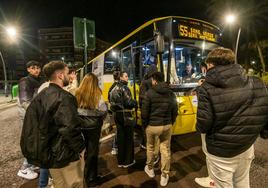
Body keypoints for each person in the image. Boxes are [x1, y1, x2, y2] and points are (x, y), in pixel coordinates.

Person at [196, 47, 268, 188]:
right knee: (242, 182)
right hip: (247, 146)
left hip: (222, 153)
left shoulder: (206, 89)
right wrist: (264, 132)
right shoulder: (257, 82)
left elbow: (203, 126)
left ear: (211, 65)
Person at [20, 60, 85, 188]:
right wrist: (81, 148)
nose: (68, 76)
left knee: (59, 184)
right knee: (75, 183)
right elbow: (69, 128)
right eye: (67, 73)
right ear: (60, 75)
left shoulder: (40, 96)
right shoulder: (64, 97)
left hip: (50, 154)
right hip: (66, 155)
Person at [142, 72, 178, 187]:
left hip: (152, 126)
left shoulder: (149, 93)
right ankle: (164, 175)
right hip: (166, 125)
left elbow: (144, 113)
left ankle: (150, 169)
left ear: (155, 80)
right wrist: (171, 122)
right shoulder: (170, 93)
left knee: (151, 147)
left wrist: (145, 125)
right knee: (165, 150)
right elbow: (175, 110)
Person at [75, 73, 107, 187]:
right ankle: (91, 178)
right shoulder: (97, 94)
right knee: (92, 152)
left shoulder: (77, 92)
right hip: (93, 127)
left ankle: (82, 175)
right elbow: (103, 110)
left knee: (82, 151)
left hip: (80, 125)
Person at [17, 60, 42, 180]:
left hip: (34, 115)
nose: (36, 70)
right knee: (31, 141)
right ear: (28, 69)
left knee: (36, 140)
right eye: (33, 68)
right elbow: (25, 102)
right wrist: (37, 114)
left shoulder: (38, 80)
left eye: (38, 67)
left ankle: (32, 164)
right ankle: (24, 169)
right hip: (29, 116)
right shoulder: (25, 81)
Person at [109, 71, 136, 168]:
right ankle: (128, 161)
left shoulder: (112, 89)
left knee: (120, 138)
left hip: (117, 116)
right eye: (126, 76)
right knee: (128, 139)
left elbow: (111, 102)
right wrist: (135, 102)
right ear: (121, 77)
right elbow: (129, 103)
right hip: (126, 116)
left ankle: (120, 161)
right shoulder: (125, 88)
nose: (127, 78)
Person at [108, 70, 120, 155]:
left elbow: (109, 98)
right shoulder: (118, 87)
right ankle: (115, 146)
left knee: (118, 129)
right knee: (119, 129)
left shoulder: (111, 87)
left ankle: (116, 146)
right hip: (118, 111)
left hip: (114, 110)